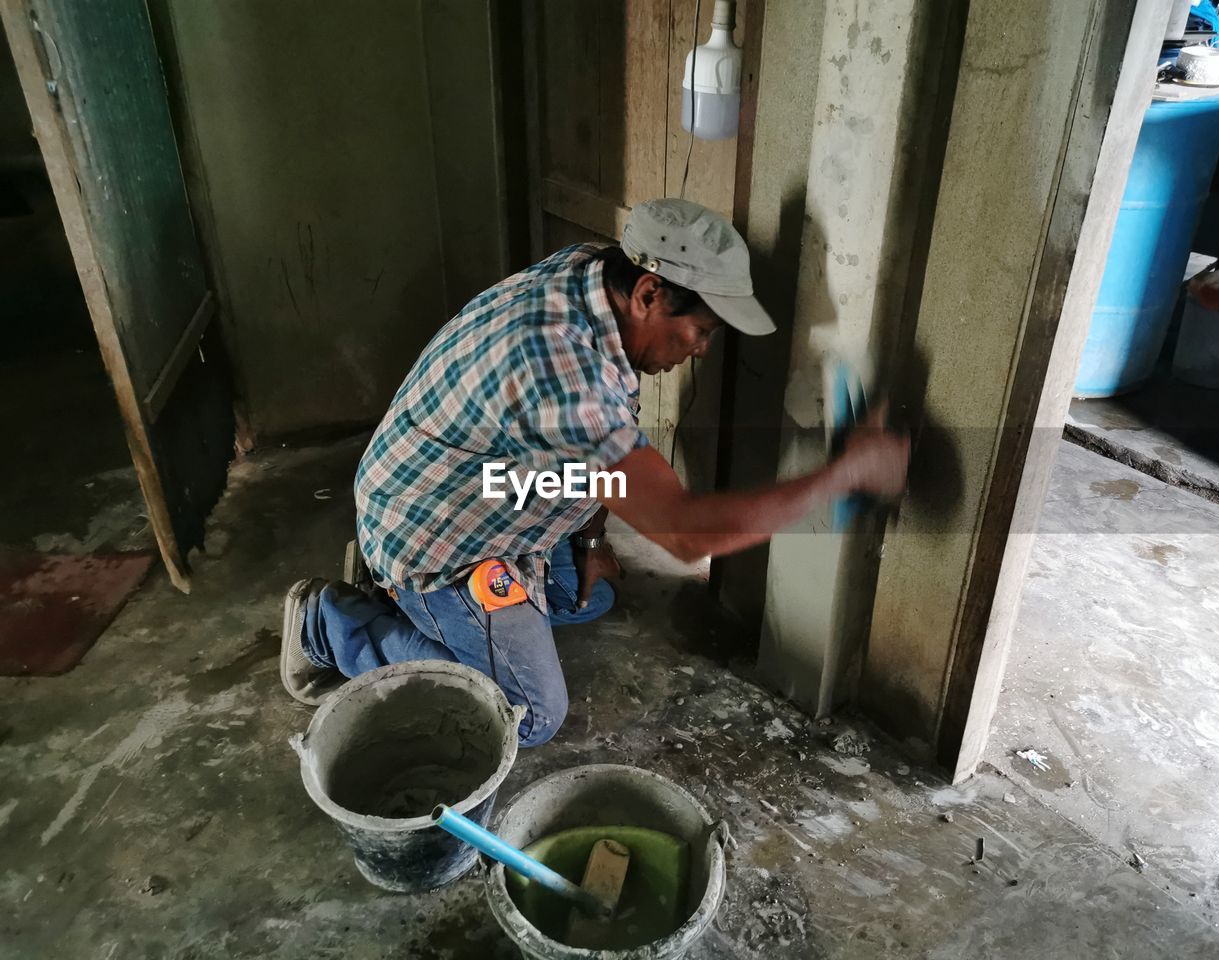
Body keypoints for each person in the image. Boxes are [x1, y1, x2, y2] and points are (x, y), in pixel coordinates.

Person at [279, 198, 909, 747]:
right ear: (648, 295)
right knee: (524, 716)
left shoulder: (591, 272)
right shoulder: (562, 372)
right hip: (435, 532)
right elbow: (687, 535)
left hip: (479, 486)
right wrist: (845, 473)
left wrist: (588, 536)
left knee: (590, 595)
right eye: (700, 330)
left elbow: (598, 451)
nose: (700, 349)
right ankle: (333, 620)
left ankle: (414, 596)